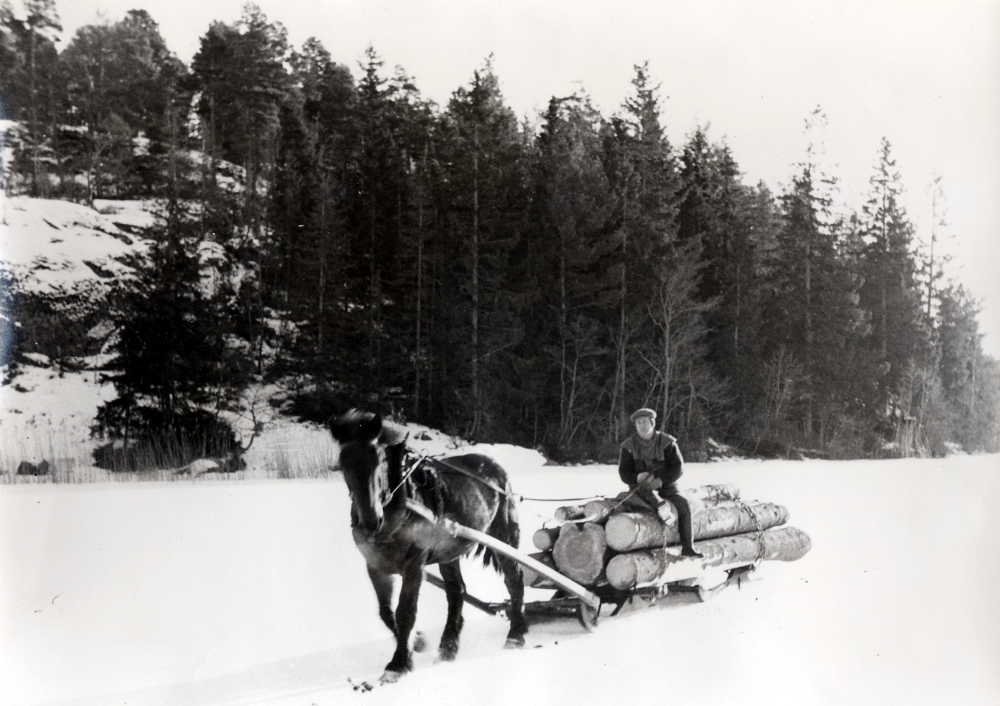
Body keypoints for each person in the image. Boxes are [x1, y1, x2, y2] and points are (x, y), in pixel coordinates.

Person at [618, 408, 703, 558]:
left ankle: (688, 547)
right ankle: (659, 505)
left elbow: (678, 468)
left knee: (684, 504)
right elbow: (624, 473)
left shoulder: (667, 442)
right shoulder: (628, 446)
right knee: (640, 498)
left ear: (652, 422)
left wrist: (660, 481)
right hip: (641, 488)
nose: (642, 426)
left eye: (645, 422)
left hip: (666, 486)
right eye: (639, 423)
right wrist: (637, 478)